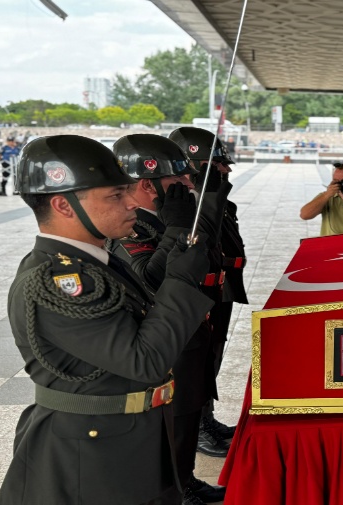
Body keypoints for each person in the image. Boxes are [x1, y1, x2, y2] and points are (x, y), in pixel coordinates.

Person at [0, 135, 213, 505]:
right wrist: (181, 279)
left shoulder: (96, 262)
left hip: (128, 439)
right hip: (89, 458)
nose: (132, 202)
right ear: (63, 205)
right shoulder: (57, 281)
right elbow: (143, 360)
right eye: (115, 195)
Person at [111, 134, 229, 505]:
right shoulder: (131, 227)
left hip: (190, 332)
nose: (185, 186)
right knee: (174, 424)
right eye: (176, 181)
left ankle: (185, 481)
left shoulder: (161, 218)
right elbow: (151, 279)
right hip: (166, 343)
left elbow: (205, 248)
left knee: (189, 415)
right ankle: (175, 492)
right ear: (147, 184)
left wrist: (206, 202)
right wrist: (178, 229)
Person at [168, 127, 243, 462]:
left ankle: (206, 420)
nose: (225, 170)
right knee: (197, 364)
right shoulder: (189, 206)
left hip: (219, 286)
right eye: (216, 165)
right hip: (199, 293)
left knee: (211, 359)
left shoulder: (215, 199)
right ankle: (197, 428)